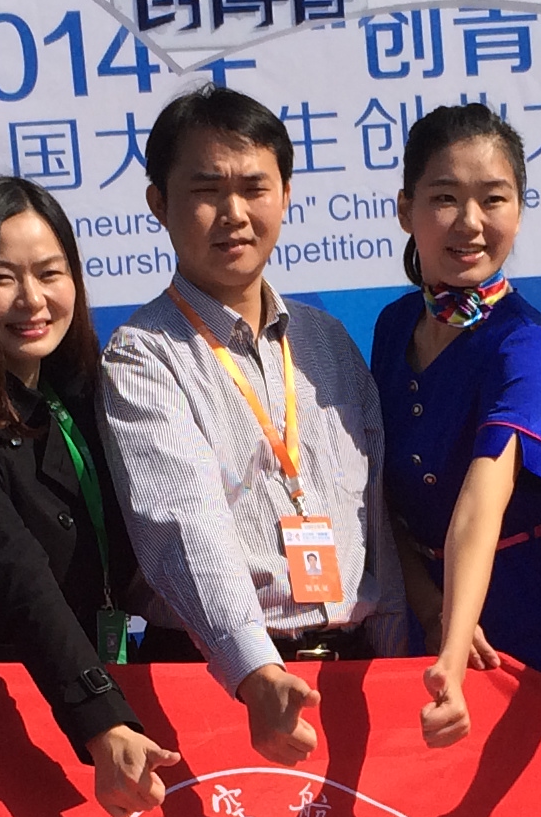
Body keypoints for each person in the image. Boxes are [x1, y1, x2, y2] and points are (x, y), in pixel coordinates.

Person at [99, 85, 401, 766]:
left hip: (357, 680)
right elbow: (183, 528)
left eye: (254, 188)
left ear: (285, 195)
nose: (233, 213)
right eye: (206, 190)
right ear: (158, 203)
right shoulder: (143, 355)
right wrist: (255, 672)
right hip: (220, 690)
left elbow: (376, 524)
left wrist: (398, 656)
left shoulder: (327, 343)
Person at [0, 176, 188, 816]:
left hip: (112, 704)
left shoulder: (85, 397)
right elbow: (19, 582)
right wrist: (102, 721)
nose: (33, 300)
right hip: (4, 726)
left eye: (50, 273)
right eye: (3, 279)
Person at [370, 103, 541, 745]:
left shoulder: (525, 342)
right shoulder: (393, 325)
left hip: (510, 627)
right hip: (417, 615)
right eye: (444, 198)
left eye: (493, 199)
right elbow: (378, 496)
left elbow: (483, 497)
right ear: (405, 210)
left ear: (518, 210)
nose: (470, 223)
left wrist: (452, 654)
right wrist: (429, 611)